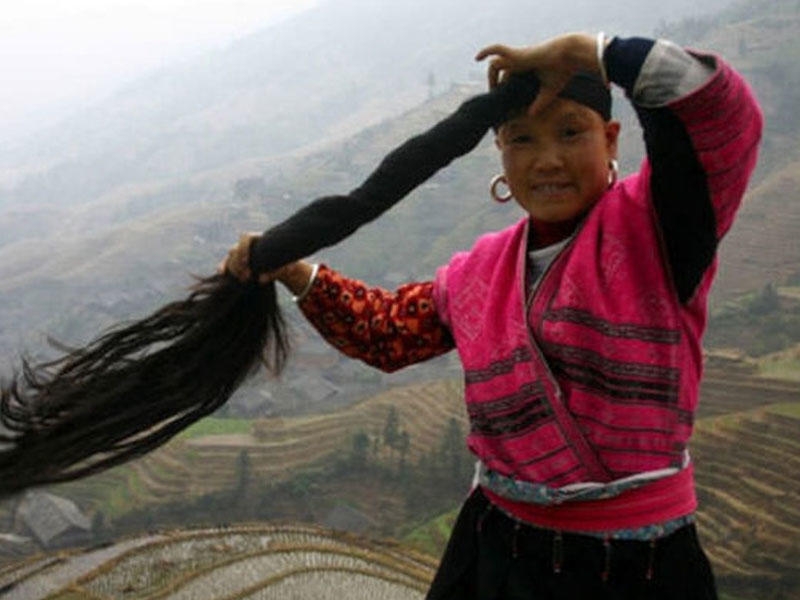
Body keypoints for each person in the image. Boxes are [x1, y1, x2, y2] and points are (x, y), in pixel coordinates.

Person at [221, 32, 762, 600]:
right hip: (497, 554)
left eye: (570, 132)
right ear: (501, 155)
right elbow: (383, 334)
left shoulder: (660, 227)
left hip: (637, 568)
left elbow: (717, 109)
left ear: (610, 139)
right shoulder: (477, 272)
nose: (546, 159)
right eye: (521, 139)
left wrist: (593, 52)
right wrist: (292, 269)